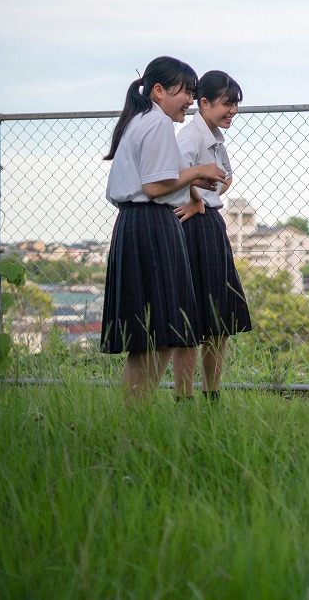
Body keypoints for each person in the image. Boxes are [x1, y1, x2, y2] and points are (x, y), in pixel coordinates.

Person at [100, 56, 227, 401]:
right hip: (151, 226)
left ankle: (132, 415)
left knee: (150, 336)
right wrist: (199, 171)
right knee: (166, 332)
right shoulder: (156, 124)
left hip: (134, 225)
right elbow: (156, 187)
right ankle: (135, 413)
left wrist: (193, 177)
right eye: (185, 92)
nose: (189, 99)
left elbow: (155, 181)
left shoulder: (139, 119)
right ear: (159, 91)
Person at [171, 70, 253, 402]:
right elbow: (169, 176)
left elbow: (225, 178)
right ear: (203, 103)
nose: (232, 110)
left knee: (218, 320)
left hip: (212, 225)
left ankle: (212, 396)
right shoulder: (188, 138)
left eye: (235, 105)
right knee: (190, 321)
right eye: (226, 103)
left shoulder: (216, 138)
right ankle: (183, 398)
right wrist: (195, 199)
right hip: (190, 228)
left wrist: (207, 197)